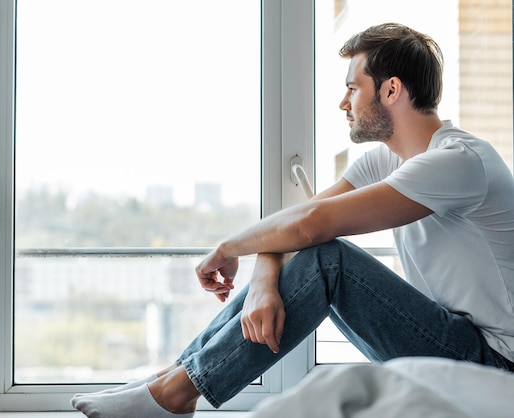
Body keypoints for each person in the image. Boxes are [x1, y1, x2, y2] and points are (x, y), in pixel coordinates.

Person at [71, 22, 514, 418]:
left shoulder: (458, 161)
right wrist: (264, 278)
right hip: (455, 342)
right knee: (320, 253)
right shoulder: (387, 160)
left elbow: (310, 226)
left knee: (330, 259)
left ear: (392, 90)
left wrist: (227, 249)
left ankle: (174, 393)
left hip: (496, 364)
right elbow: (295, 223)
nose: (344, 103)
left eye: (353, 88)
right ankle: (171, 382)